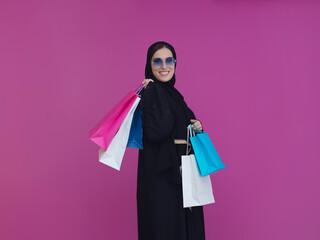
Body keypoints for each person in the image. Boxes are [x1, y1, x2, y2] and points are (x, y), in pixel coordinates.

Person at [136, 41, 206, 240]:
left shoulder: (176, 96)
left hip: (185, 174)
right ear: (150, 65)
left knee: (186, 229)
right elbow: (159, 130)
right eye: (157, 61)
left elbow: (182, 125)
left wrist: (198, 127)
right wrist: (153, 92)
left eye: (169, 60)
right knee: (167, 229)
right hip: (162, 177)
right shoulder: (149, 93)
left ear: (175, 64)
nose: (164, 66)